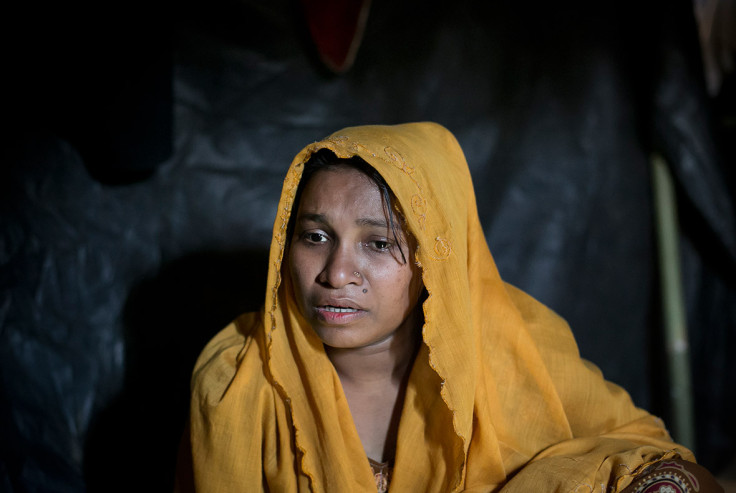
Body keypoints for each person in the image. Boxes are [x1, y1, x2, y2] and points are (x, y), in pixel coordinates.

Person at [177, 123, 722, 492]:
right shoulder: (238, 377)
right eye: (315, 237)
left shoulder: (512, 340)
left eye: (379, 243)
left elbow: (643, 453)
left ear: (436, 258)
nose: (336, 273)